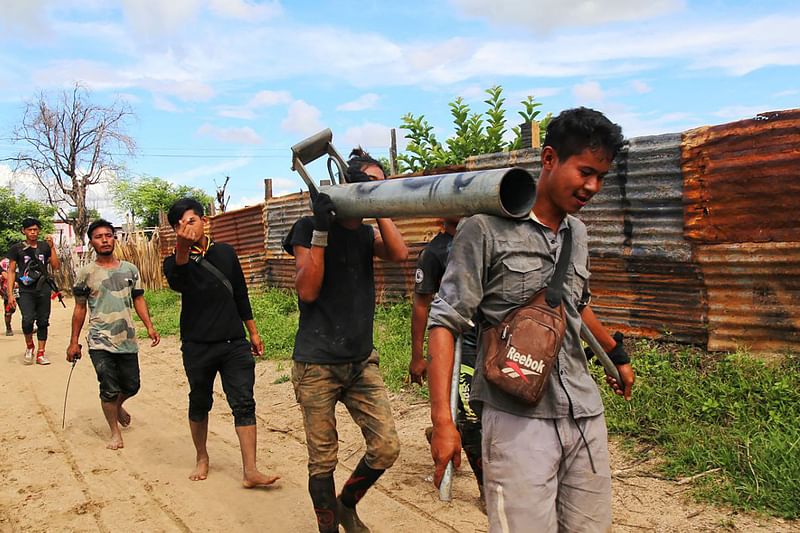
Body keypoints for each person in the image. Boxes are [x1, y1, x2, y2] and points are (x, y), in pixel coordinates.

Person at [427, 107, 635, 532]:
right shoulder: (483, 229)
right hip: (517, 419)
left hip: (583, 413)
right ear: (549, 159)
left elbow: (575, 306)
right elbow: (444, 323)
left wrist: (615, 352)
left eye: (601, 177)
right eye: (585, 172)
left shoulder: (578, 234)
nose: (593, 186)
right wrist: (442, 422)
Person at [283, 148, 408, 533]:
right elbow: (307, 290)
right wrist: (322, 229)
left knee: (386, 447)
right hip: (317, 363)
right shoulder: (308, 228)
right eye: (369, 186)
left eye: (381, 186)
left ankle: (346, 504)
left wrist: (381, 206)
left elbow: (400, 254)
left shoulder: (368, 233)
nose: (376, 191)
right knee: (323, 460)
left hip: (360, 361)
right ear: (348, 187)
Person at [163, 198, 279, 488]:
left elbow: (240, 293)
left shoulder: (226, 253)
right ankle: (202, 456)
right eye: (179, 224)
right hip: (197, 345)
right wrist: (182, 247)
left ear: (205, 221)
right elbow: (178, 281)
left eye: (190, 220)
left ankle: (250, 470)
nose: (186, 227)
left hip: (233, 343)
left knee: (244, 402)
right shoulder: (175, 260)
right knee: (200, 401)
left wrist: (253, 332)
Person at [67, 219, 160, 450]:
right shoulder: (86, 273)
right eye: (99, 237)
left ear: (114, 238)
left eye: (108, 235)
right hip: (100, 341)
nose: (105, 240)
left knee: (132, 386)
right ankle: (115, 433)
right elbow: (79, 308)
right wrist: (74, 342)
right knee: (108, 387)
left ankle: (118, 406)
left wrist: (149, 326)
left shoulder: (130, 269)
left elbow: (138, 298)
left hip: (126, 339)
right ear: (92, 242)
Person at [409, 217, 484, 505]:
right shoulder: (435, 252)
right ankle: (486, 488)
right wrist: (418, 356)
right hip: (459, 339)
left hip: (491, 338)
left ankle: (446, 432)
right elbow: (421, 304)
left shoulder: (484, 240)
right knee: (471, 414)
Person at [5, 217, 61, 364]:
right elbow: (11, 271)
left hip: (43, 288)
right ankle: (30, 346)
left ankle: (41, 353)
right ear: (24, 231)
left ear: (39, 231)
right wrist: (10, 294)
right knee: (28, 320)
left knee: (43, 321)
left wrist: (52, 247)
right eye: (30, 230)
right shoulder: (16, 249)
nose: (33, 232)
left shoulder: (44, 247)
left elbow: (55, 266)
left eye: (35, 230)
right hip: (24, 290)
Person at [1, 257, 18, 336]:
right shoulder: (3, 263)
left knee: (27, 308)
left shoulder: (20, 261)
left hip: (21, 288)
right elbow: (4, 275)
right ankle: (8, 328)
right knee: (9, 311)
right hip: (7, 289)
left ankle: (30, 326)